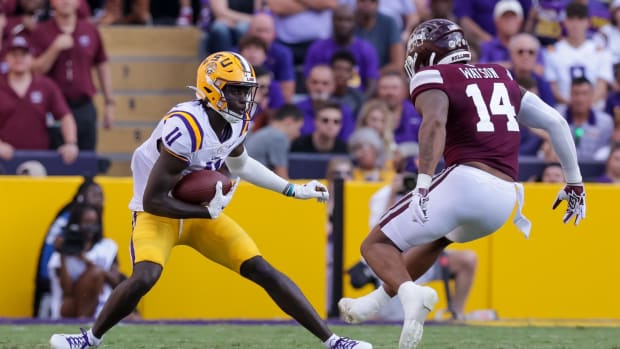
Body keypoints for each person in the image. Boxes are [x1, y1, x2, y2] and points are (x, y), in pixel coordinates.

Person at [49, 51, 372, 349]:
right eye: (235, 90)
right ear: (212, 89)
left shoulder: (236, 120)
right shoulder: (185, 127)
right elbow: (153, 200)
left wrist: (292, 189)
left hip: (200, 213)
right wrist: (204, 212)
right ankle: (88, 339)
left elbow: (241, 164)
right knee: (145, 277)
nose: (244, 98)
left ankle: (333, 342)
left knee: (263, 270)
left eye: (247, 90)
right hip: (157, 214)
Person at [337, 19, 586, 349]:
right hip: (505, 200)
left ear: (428, 52)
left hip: (467, 181)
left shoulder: (433, 75)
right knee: (438, 238)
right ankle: (376, 302)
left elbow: (434, 122)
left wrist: (423, 182)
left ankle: (412, 297)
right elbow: (556, 121)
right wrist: (575, 183)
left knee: (375, 246)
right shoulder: (502, 74)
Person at [0, 35, 78, 164]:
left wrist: (70, 143)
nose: (19, 59)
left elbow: (65, 115)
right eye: (14, 54)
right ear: (6, 58)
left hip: (40, 160)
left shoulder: (46, 85)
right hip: (3, 160)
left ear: (31, 58)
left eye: (23, 54)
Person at [34, 177, 103, 318]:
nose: (100, 200)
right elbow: (56, 246)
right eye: (95, 195)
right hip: (53, 278)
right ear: (82, 197)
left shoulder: (104, 242)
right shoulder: (72, 215)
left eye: (101, 196)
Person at [47, 203, 120, 319]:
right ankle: (83, 321)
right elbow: (67, 290)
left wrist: (86, 260)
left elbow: (116, 282)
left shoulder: (108, 246)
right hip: (70, 308)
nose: (91, 227)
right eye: (86, 222)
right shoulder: (63, 252)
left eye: (94, 222)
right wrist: (63, 254)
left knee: (95, 273)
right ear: (76, 224)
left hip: (101, 303)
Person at [246, 103, 304, 178]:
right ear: (289, 121)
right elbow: (282, 178)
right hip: (248, 186)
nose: (298, 134)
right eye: (298, 128)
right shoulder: (278, 137)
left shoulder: (265, 133)